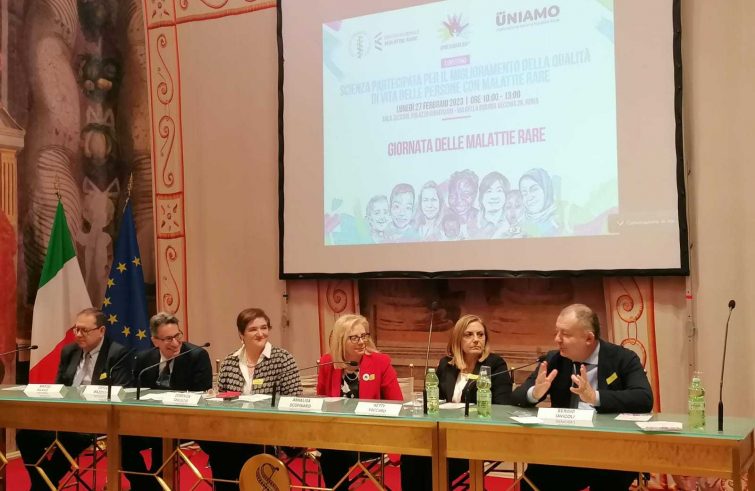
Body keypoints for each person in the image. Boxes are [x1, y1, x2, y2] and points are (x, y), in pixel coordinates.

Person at [511, 304, 653, 491]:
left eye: (565, 334)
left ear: (589, 338)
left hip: (612, 450)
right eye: (556, 332)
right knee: (532, 481)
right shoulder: (555, 359)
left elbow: (644, 398)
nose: (557, 339)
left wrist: (595, 397)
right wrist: (534, 393)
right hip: (565, 448)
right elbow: (517, 397)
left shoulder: (622, 358)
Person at [17, 308, 132, 491]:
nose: (78, 334)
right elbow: (60, 387)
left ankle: (42, 486)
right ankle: (45, 484)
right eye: (76, 329)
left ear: (101, 331)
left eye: (84, 330)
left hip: (97, 420)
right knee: (25, 436)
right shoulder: (69, 351)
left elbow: (120, 391)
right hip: (64, 416)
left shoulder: (117, 353)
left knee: (71, 437)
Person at [401, 314, 513, 490]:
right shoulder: (446, 365)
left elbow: (502, 406)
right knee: (411, 456)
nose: (476, 340)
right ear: (457, 339)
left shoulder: (495, 365)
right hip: (444, 436)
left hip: (477, 438)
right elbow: (431, 400)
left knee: (433, 465)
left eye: (480, 335)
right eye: (469, 335)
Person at [203, 308, 302, 490]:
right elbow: (221, 399)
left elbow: (294, 399)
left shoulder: (283, 359)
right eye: (253, 329)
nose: (260, 333)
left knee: (236, 449)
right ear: (241, 334)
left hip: (269, 430)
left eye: (264, 328)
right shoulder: (230, 361)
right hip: (233, 430)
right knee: (219, 447)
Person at [121, 312, 212, 491]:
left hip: (183, 423)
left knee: (162, 439)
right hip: (148, 422)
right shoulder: (144, 359)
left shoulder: (196, 356)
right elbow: (134, 392)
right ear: (155, 341)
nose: (176, 343)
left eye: (178, 336)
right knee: (122, 440)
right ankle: (146, 486)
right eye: (168, 339)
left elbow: (201, 395)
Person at [316, 314, 403, 489]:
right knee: (331, 451)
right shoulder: (328, 362)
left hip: (371, 435)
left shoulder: (380, 362)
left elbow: (397, 404)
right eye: (354, 338)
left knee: (333, 453)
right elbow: (322, 401)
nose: (362, 342)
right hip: (336, 435)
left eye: (364, 336)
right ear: (341, 341)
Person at [519, 168, 560, 236]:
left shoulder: (562, 220)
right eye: (524, 193)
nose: (529, 197)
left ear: (546, 189)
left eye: (534, 189)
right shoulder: (519, 224)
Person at [477, 171, 511, 238]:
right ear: (481, 196)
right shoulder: (473, 221)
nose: (494, 196)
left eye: (499, 190)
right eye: (489, 191)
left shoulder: (512, 222)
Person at [447, 169, 480, 239]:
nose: (458, 200)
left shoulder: (482, 219)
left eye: (465, 194)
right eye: (453, 195)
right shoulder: (440, 219)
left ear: (474, 195)